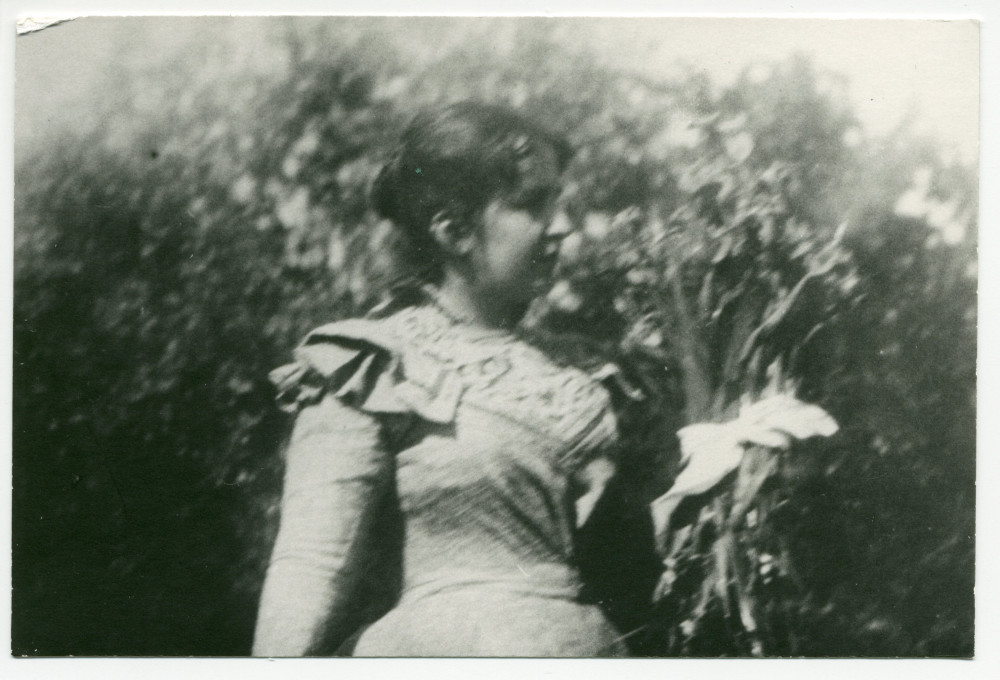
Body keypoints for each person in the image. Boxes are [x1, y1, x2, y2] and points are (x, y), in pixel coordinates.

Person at [251, 102, 833, 657]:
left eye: (559, 203)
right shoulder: (371, 361)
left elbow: (631, 565)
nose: (562, 230)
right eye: (534, 206)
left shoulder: (586, 370)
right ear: (454, 231)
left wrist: (718, 468)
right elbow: (310, 567)